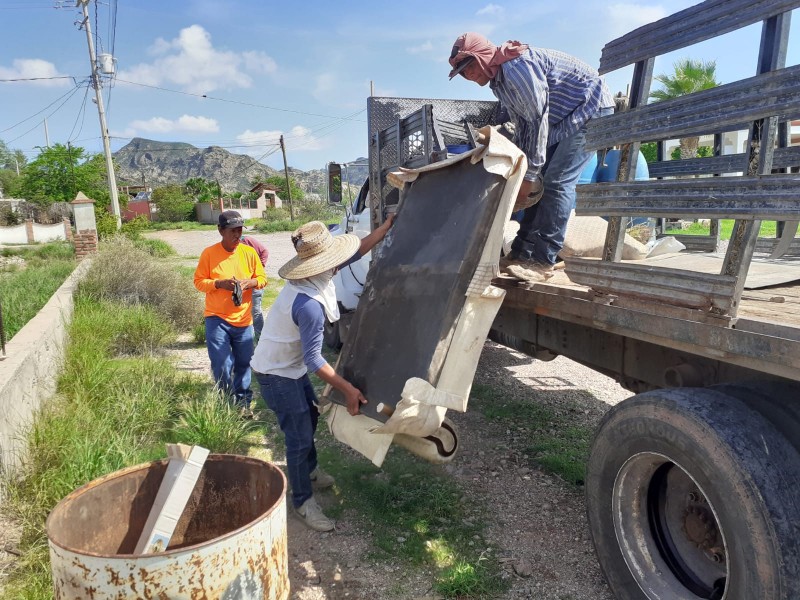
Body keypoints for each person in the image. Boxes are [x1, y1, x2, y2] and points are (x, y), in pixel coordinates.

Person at [251, 216, 394, 531]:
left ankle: (310, 470)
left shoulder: (314, 278)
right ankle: (302, 501)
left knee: (311, 418)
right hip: (276, 374)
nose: (338, 264)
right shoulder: (309, 305)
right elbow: (316, 360)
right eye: (334, 261)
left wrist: (383, 230)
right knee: (298, 438)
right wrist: (348, 390)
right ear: (321, 265)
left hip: (289, 367)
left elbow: (353, 253)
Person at [448, 32, 615, 273]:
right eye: (463, 71)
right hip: (562, 121)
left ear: (484, 55)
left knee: (556, 183)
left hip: (590, 109)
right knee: (539, 183)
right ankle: (521, 253)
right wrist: (526, 169)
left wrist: (530, 174)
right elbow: (523, 125)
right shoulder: (499, 81)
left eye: (471, 65)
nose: (469, 74)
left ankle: (543, 260)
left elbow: (536, 120)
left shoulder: (516, 68)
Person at [194, 210, 267, 415]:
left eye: (240, 230)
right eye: (232, 231)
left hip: (244, 319)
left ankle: (243, 404)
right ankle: (226, 402)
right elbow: (199, 282)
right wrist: (219, 283)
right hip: (216, 318)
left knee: (244, 364)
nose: (237, 235)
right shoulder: (209, 254)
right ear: (220, 231)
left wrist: (250, 283)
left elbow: (262, 278)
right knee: (222, 364)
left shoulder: (249, 253)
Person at [240, 234, 269, 340]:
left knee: (255, 311)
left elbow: (264, 251)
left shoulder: (246, 240)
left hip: (255, 284)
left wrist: (260, 268)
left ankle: (261, 337)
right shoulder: (227, 246)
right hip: (241, 286)